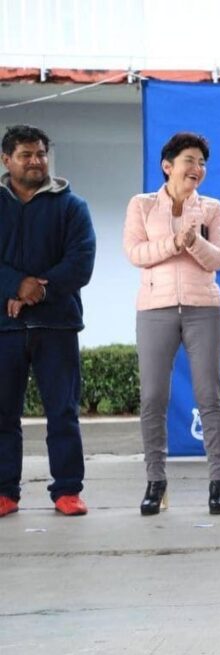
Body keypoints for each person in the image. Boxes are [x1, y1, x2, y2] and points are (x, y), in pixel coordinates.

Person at [123, 132, 220, 516]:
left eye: (202, 163)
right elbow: (135, 252)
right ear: (168, 166)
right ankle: (156, 481)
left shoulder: (213, 208)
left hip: (205, 309)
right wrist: (174, 243)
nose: (197, 169)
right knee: (153, 397)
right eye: (190, 160)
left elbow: (219, 258)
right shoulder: (142, 205)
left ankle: (218, 482)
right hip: (155, 309)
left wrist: (194, 243)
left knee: (209, 398)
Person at [0, 124, 96, 517]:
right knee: (3, 414)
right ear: (7, 161)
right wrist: (15, 284)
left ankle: (67, 491)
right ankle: (5, 491)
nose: (36, 161)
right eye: (26, 154)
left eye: (40, 153)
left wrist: (40, 290)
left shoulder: (72, 206)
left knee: (63, 412)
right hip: (4, 328)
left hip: (57, 325)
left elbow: (81, 261)